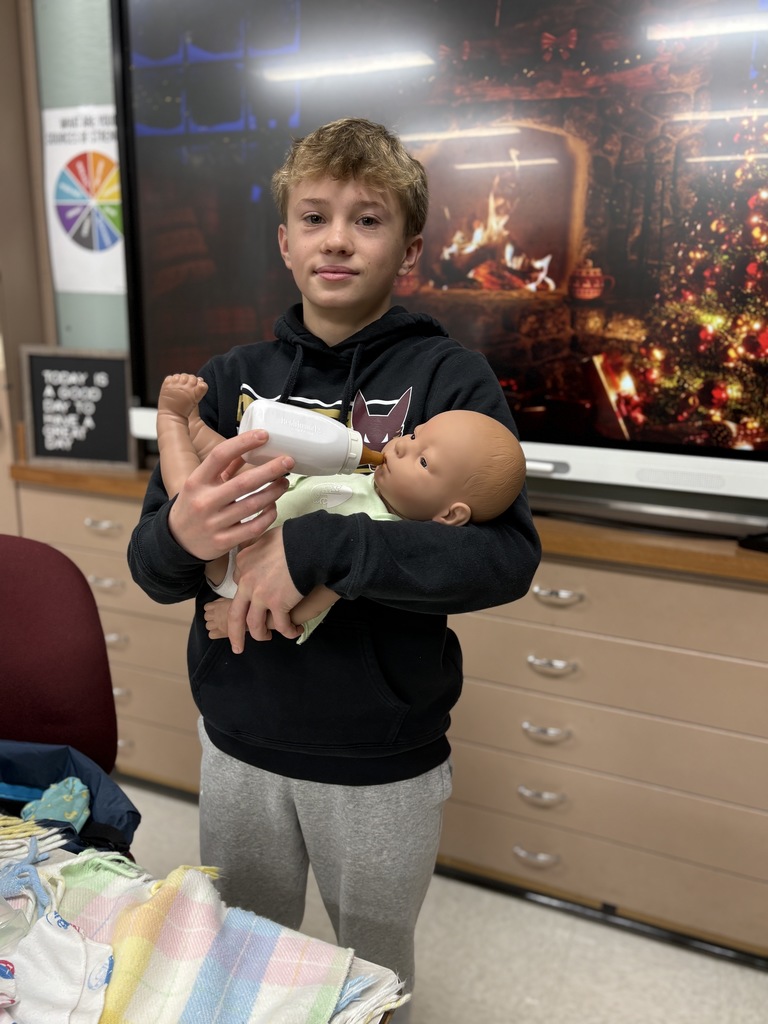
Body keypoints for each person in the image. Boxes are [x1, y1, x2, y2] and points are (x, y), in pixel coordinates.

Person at [128, 116, 541, 1017]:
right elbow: (153, 565)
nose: (338, 240)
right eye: (314, 217)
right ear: (285, 241)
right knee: (237, 953)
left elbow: (506, 558)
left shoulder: (452, 381)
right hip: (239, 739)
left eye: (368, 219)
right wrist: (185, 539)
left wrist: (319, 545)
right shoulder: (231, 377)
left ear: (412, 246)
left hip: (382, 757)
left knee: (372, 971)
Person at [156, 372, 527, 643]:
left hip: (239, 570)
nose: (399, 446)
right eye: (414, 435)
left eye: (424, 462)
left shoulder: (383, 539)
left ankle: (172, 422)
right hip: (255, 515)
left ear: (449, 514)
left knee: (190, 494)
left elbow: (306, 609)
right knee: (235, 466)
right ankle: (197, 427)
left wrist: (239, 620)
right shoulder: (368, 479)